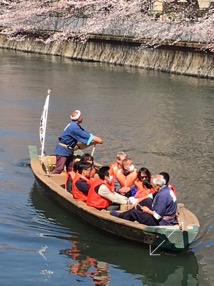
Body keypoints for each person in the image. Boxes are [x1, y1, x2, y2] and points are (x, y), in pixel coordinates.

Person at [110, 175, 177, 226]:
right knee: (147, 200)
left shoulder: (162, 196)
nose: (152, 187)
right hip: (162, 216)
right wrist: (139, 200)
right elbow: (151, 196)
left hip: (161, 222)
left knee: (134, 212)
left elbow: (157, 216)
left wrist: (147, 211)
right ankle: (126, 215)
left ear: (158, 185)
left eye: (153, 185)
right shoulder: (165, 188)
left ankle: (122, 216)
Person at [51, 110, 103, 174]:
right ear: (78, 118)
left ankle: (70, 182)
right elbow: (84, 135)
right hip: (63, 151)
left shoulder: (75, 125)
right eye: (80, 116)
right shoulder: (74, 127)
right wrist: (96, 139)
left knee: (71, 168)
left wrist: (94, 138)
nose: (82, 117)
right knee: (59, 169)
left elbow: (84, 132)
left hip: (69, 151)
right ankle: (50, 177)